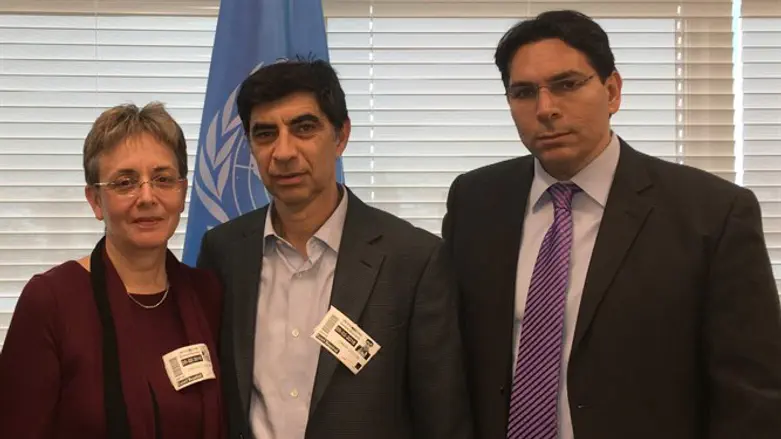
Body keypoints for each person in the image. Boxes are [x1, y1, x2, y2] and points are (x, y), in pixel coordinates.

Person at [442, 9, 781, 439]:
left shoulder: (712, 213)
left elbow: (752, 393)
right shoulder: (476, 200)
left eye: (566, 85)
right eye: (524, 92)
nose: (546, 109)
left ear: (612, 91)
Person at [196, 59, 472, 439]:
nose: (284, 152)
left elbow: (442, 418)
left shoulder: (414, 260)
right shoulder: (223, 251)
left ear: (341, 136)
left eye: (304, 128)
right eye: (265, 134)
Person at [0, 103, 227, 439]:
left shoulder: (207, 293)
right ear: (95, 200)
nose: (147, 197)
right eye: (125, 182)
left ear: (181, 192)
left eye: (163, 179)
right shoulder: (51, 301)